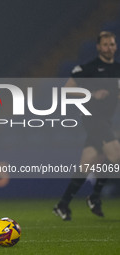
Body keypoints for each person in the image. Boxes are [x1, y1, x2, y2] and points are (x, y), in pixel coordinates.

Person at [53, 31, 120, 221]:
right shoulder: (88, 69)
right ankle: (95, 196)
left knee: (87, 162)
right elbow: (67, 90)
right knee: (115, 154)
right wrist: (91, 93)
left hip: (105, 121)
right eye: (105, 44)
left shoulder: (117, 69)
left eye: (112, 44)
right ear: (99, 47)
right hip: (92, 118)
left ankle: (62, 204)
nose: (109, 48)